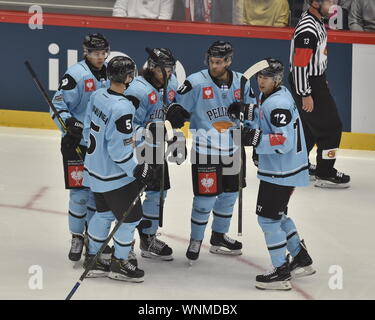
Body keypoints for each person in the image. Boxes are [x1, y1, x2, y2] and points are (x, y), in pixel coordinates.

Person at [174, 41, 258, 264]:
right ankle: (196, 240)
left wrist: (247, 114)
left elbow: (253, 114)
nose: (214, 65)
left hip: (234, 148)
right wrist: (176, 115)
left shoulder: (242, 82)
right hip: (205, 150)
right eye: (211, 61)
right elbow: (178, 108)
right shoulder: (195, 82)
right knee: (204, 199)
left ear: (229, 61)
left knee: (229, 196)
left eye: (219, 62)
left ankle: (219, 237)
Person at [236, 58, 315, 290]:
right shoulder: (276, 94)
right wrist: (246, 110)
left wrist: (254, 138)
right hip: (283, 168)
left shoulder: (276, 103)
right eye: (260, 76)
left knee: (268, 219)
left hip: (282, 169)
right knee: (277, 216)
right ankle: (300, 258)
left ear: (277, 79)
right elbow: (263, 112)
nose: (261, 80)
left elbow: (284, 142)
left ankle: (280, 271)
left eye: (267, 77)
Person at [82, 56, 156, 282]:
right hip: (115, 176)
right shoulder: (123, 107)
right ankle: (119, 263)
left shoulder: (98, 95)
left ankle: (93, 258)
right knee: (130, 219)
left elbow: (87, 130)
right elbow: (118, 151)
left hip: (94, 171)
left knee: (103, 214)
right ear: (128, 77)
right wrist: (136, 170)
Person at [125, 47, 189, 261]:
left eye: (170, 69)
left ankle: (148, 238)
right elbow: (126, 127)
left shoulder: (170, 84)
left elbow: (170, 112)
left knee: (158, 193)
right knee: (130, 198)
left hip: (157, 148)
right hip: (135, 151)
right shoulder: (137, 90)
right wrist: (147, 132)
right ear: (152, 67)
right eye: (164, 69)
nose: (168, 73)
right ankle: (125, 246)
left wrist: (176, 134)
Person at [51, 33, 110, 262]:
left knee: (97, 194)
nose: (100, 57)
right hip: (76, 143)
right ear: (86, 52)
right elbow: (58, 105)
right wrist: (69, 124)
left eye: (103, 52)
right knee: (79, 195)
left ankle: (93, 239)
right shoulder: (75, 74)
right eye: (96, 53)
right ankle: (77, 236)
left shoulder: (111, 73)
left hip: (100, 147)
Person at [288, 0, 350, 188]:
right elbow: (299, 65)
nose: (333, 4)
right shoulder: (308, 28)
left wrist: (321, 78)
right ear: (315, 2)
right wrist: (305, 93)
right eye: (329, 1)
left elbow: (314, 57)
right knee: (331, 127)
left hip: (314, 81)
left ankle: (299, 165)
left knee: (309, 126)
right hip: (307, 84)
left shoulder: (316, 21)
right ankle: (324, 173)